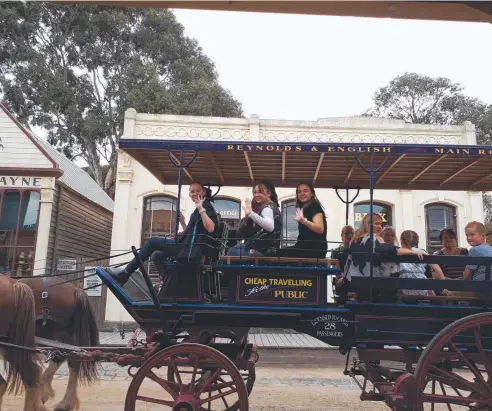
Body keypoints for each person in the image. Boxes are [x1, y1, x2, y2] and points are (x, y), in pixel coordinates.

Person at [106, 182, 218, 286]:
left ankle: (125, 273)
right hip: (187, 246)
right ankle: (168, 284)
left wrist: (201, 209)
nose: (194, 194)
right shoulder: (200, 208)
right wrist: (183, 223)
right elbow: (194, 232)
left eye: (198, 191)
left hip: (190, 250)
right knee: (157, 256)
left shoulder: (205, 207)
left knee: (152, 242)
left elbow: (211, 228)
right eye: (192, 191)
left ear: (203, 192)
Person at [228, 180, 282, 256]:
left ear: (269, 193)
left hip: (264, 251)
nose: (256, 195)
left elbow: (270, 226)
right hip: (269, 249)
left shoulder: (267, 208)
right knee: (236, 249)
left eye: (259, 192)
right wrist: (247, 217)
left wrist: (251, 213)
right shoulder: (272, 206)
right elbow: (240, 235)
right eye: (254, 192)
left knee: (233, 251)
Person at [277, 183, 327, 259]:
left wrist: (304, 221)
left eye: (305, 191)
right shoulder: (304, 208)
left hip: (313, 249)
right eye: (299, 192)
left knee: (277, 254)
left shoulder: (314, 206)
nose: (302, 194)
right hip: (304, 248)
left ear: (312, 193)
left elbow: (320, 228)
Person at [398, 230, 446, 296]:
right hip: (422, 286)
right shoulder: (420, 252)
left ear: (401, 241)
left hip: (405, 288)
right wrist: (444, 284)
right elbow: (436, 268)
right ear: (417, 241)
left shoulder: (399, 253)